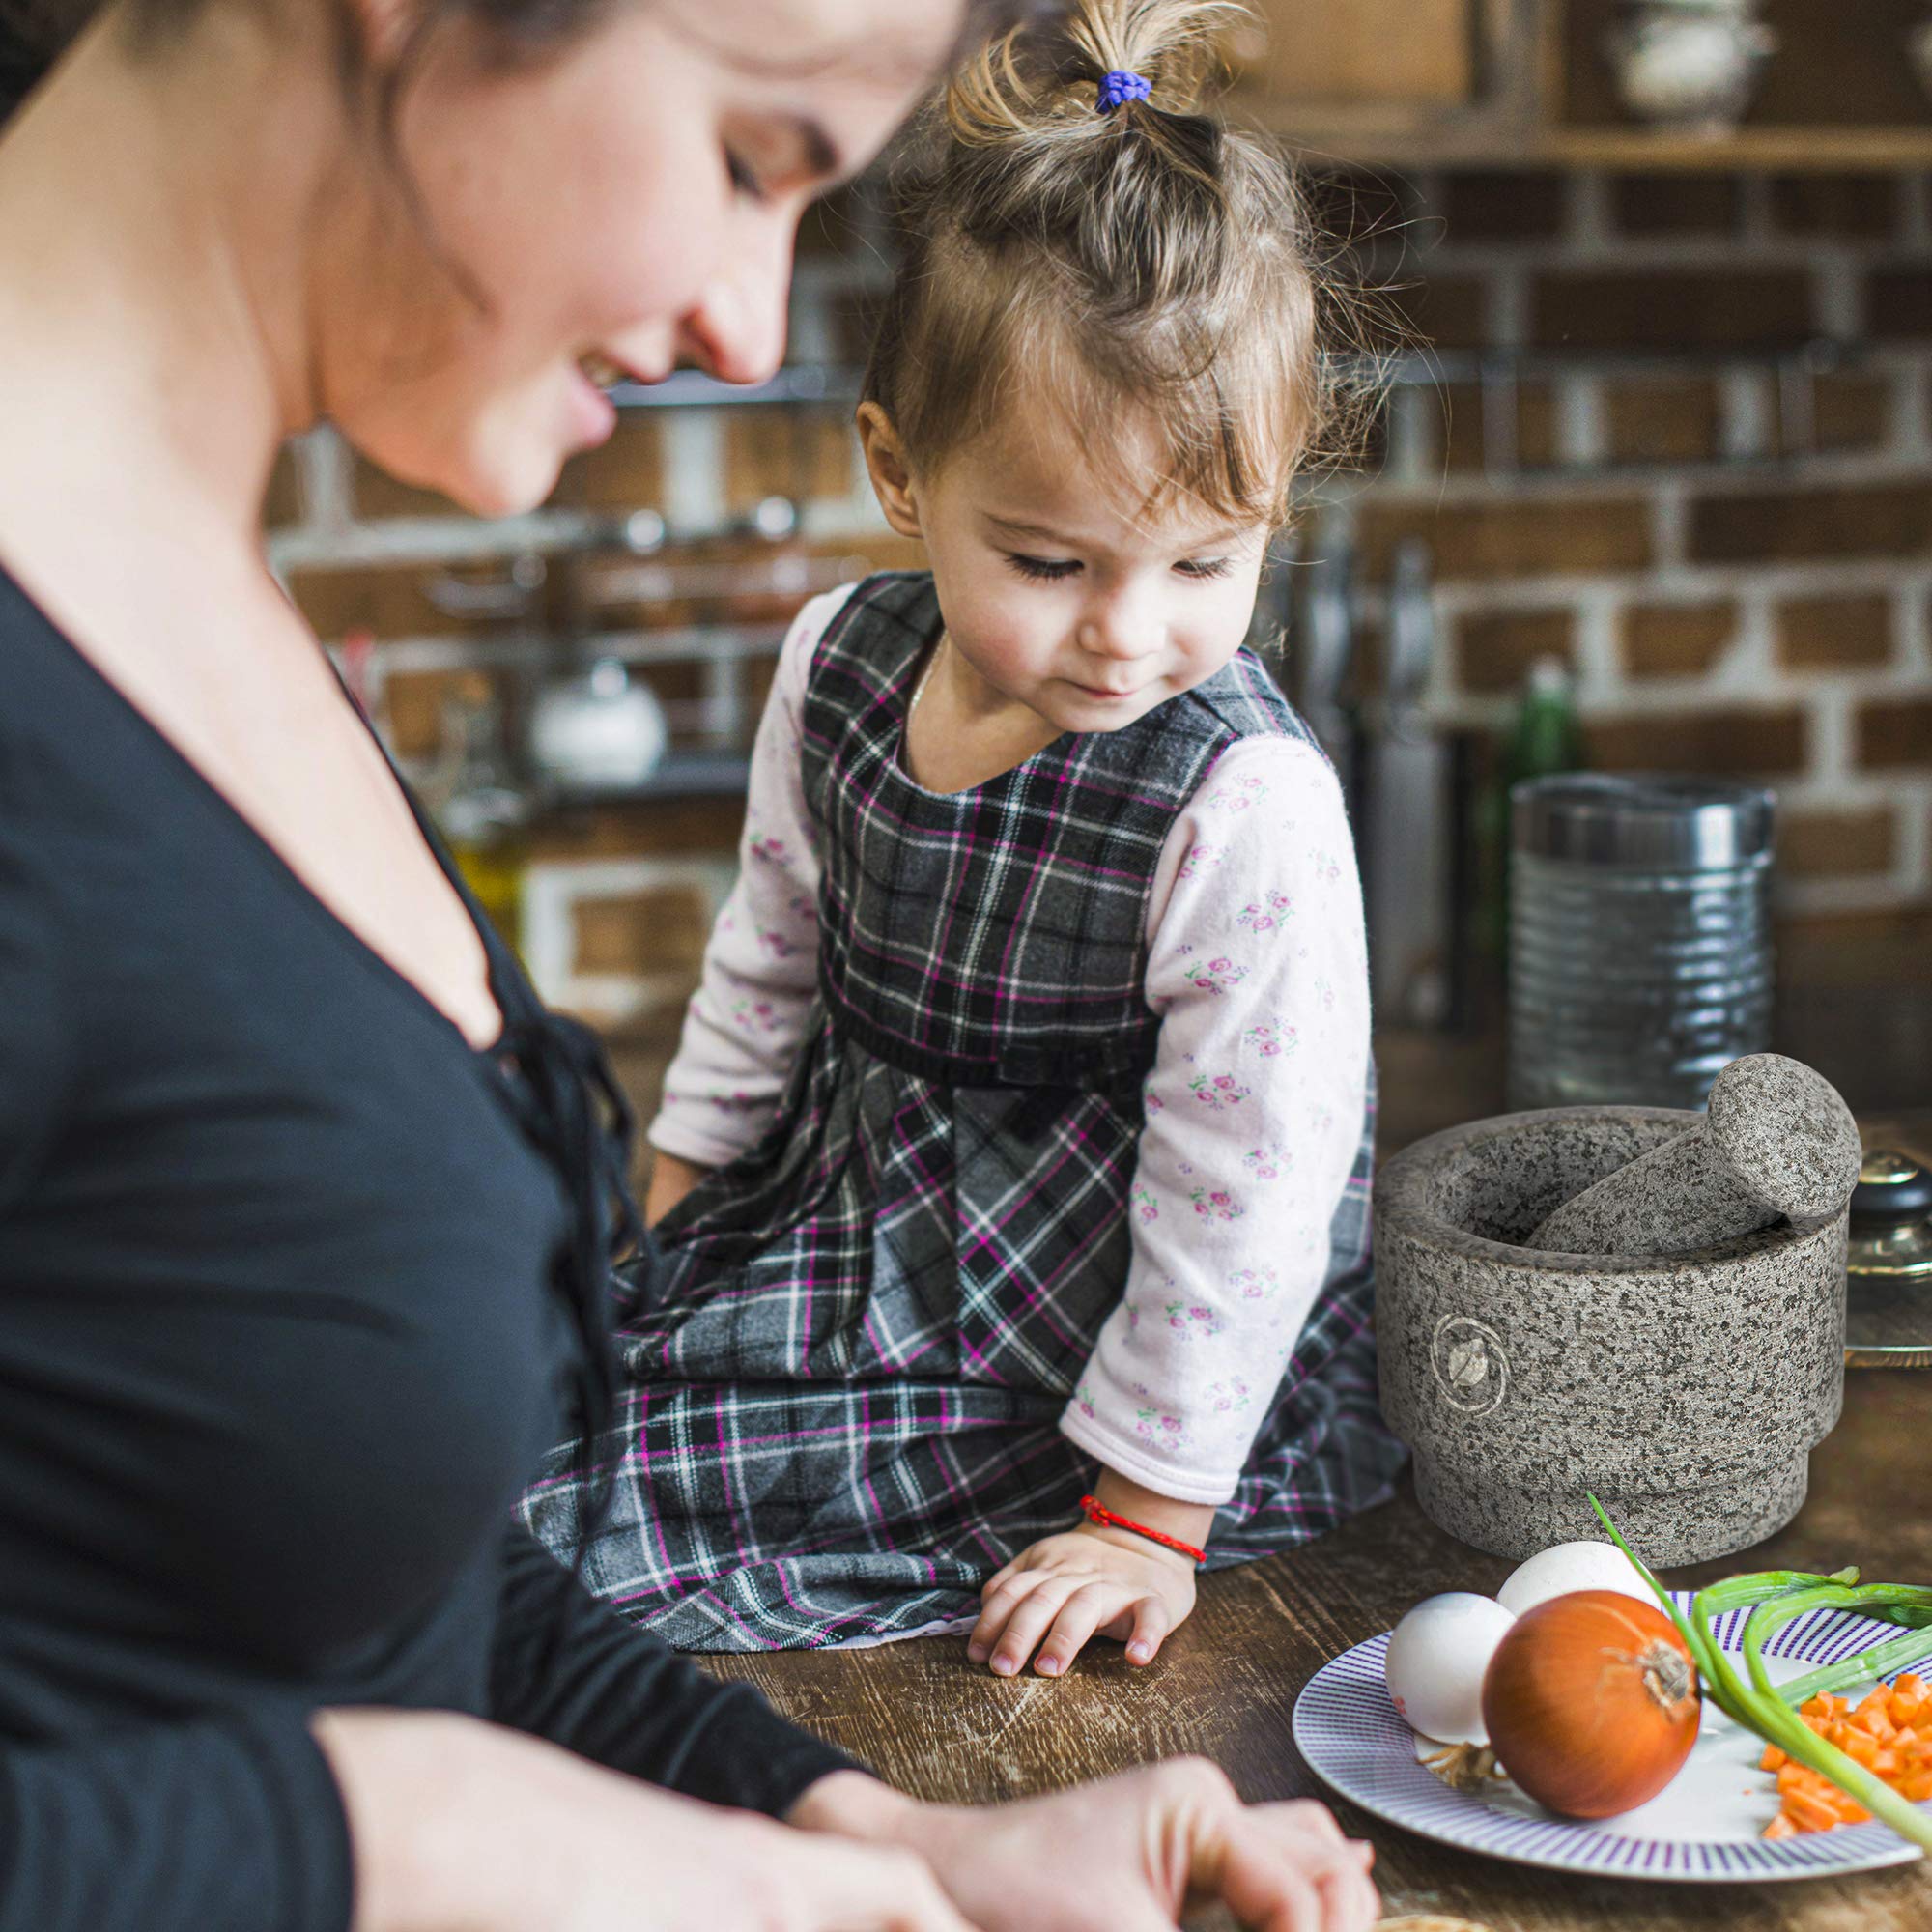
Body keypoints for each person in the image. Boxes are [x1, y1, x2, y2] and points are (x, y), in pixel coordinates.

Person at [0, 0, 1387, 1919]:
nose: (751, 325)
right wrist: (434, 1849)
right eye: (752, 156)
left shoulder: (196, 623)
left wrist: (877, 1835)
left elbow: (389, 1597)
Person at [526, 0, 1407, 1677]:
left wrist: (1144, 1512)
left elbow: (1256, 1200)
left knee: (585, 1535)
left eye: (1206, 565)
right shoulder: (839, 665)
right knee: (511, 1407)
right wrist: (672, 1213)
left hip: (1087, 1339)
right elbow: (770, 956)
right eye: (1053, 563)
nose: (1126, 636)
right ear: (900, 474)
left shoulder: (1244, 804)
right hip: (839, 1228)